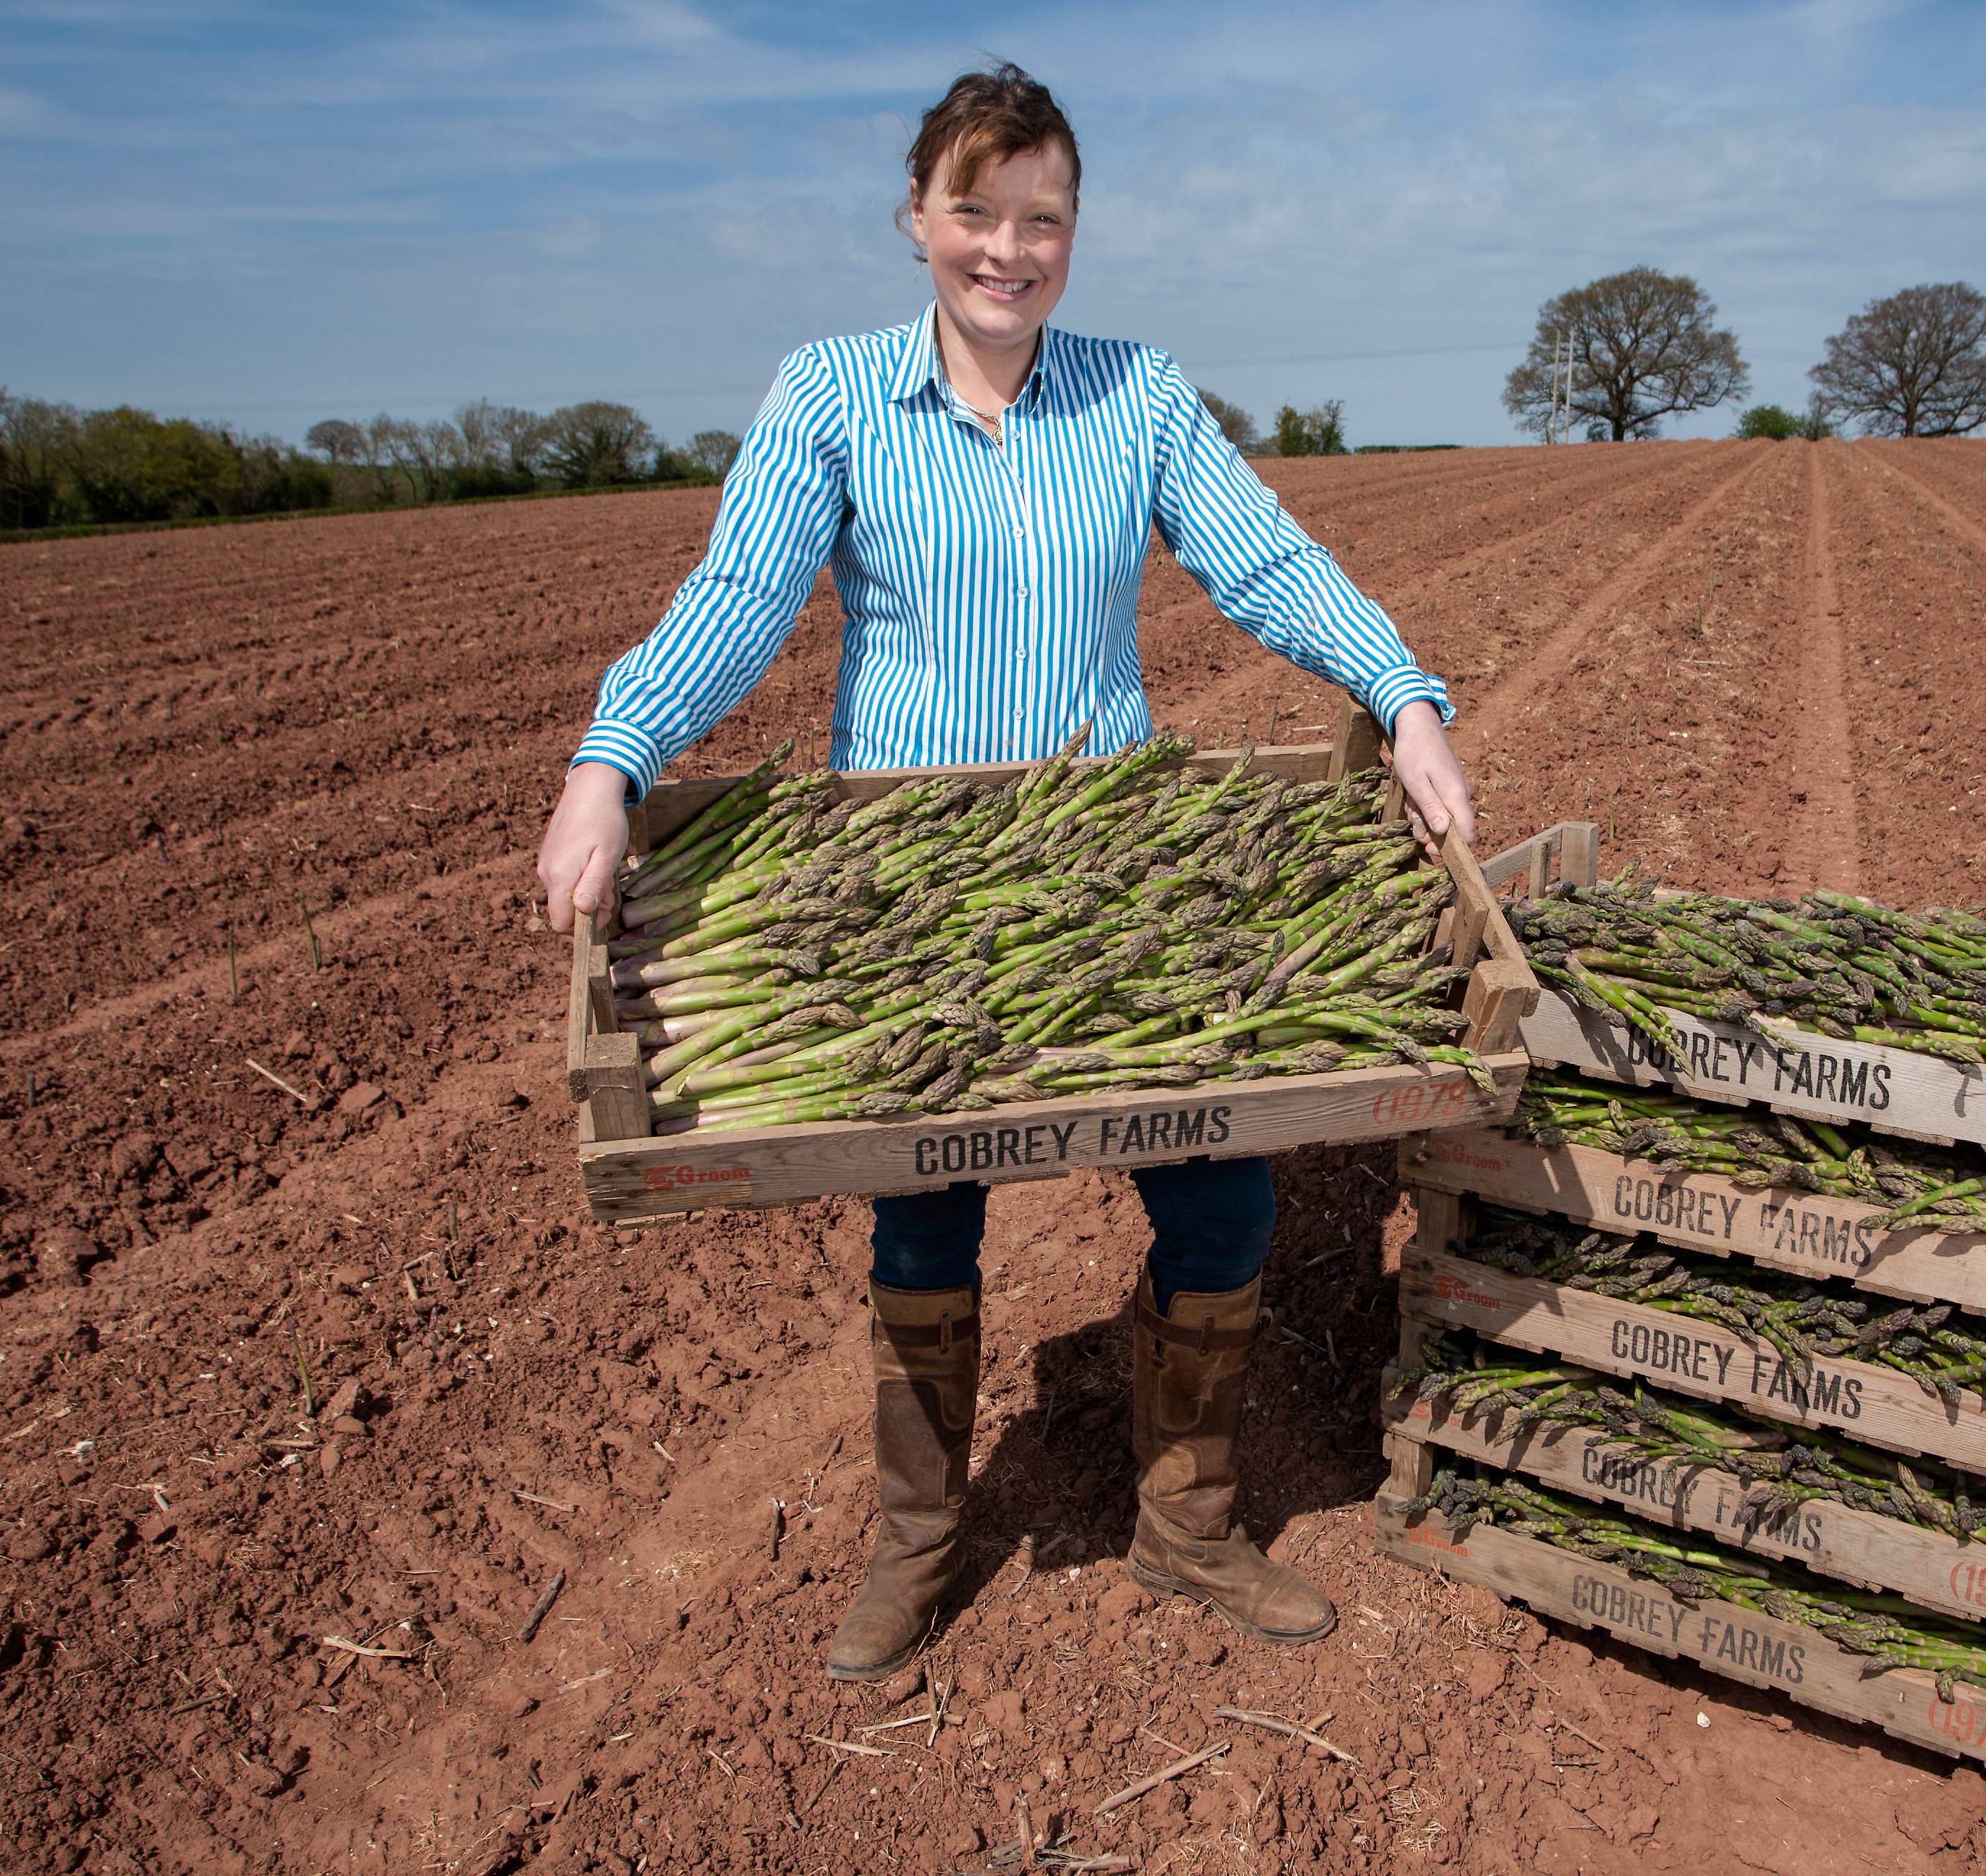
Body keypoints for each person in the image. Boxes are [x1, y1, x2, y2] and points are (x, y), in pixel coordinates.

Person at [535, 64, 1475, 1683]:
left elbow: (1264, 560)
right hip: (901, 875)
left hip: (1112, 857)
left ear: (1075, 233)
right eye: (976, 210)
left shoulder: (1136, 393)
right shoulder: (834, 393)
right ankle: (919, 1540)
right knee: (923, 1220)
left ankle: (1188, 1526)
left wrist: (1402, 696)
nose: (1009, 249)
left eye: (1044, 218)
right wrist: (610, 763)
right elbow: (738, 600)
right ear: (916, 217)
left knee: (1221, 1187)